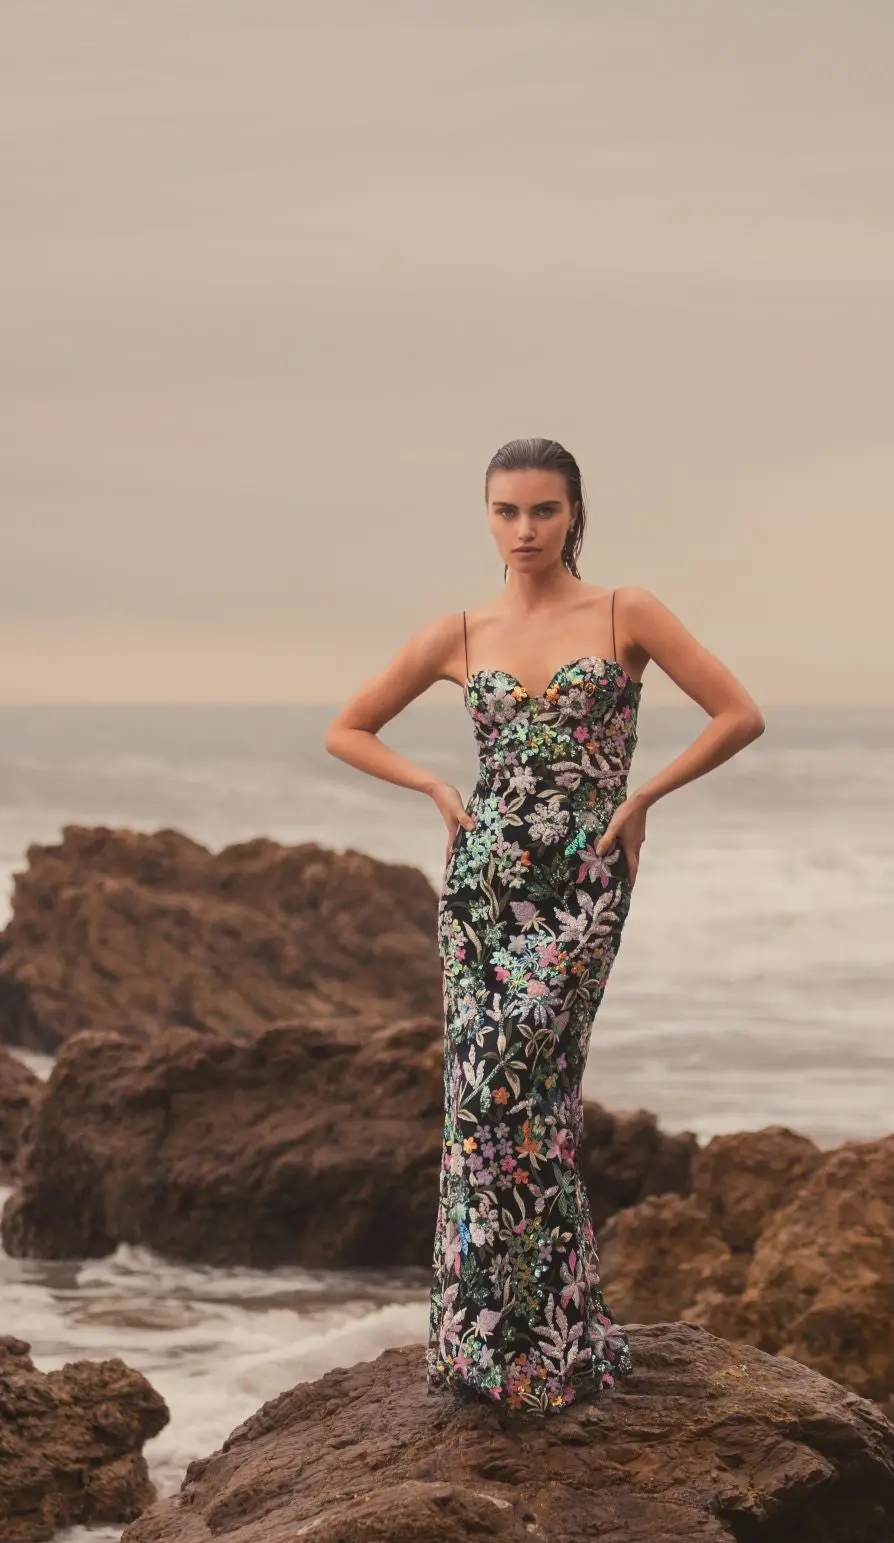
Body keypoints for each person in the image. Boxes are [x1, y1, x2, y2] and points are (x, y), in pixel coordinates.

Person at [326, 437, 763, 1412]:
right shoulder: (460, 632)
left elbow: (738, 714)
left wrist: (643, 795)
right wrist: (435, 788)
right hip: (483, 885)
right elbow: (347, 728)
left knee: (521, 1093)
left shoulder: (624, 611)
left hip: (583, 878)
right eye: (507, 511)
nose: (524, 529)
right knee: (485, 1107)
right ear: (488, 518)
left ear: (574, 515)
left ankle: (550, 1342)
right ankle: (498, 1347)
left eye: (543, 510)